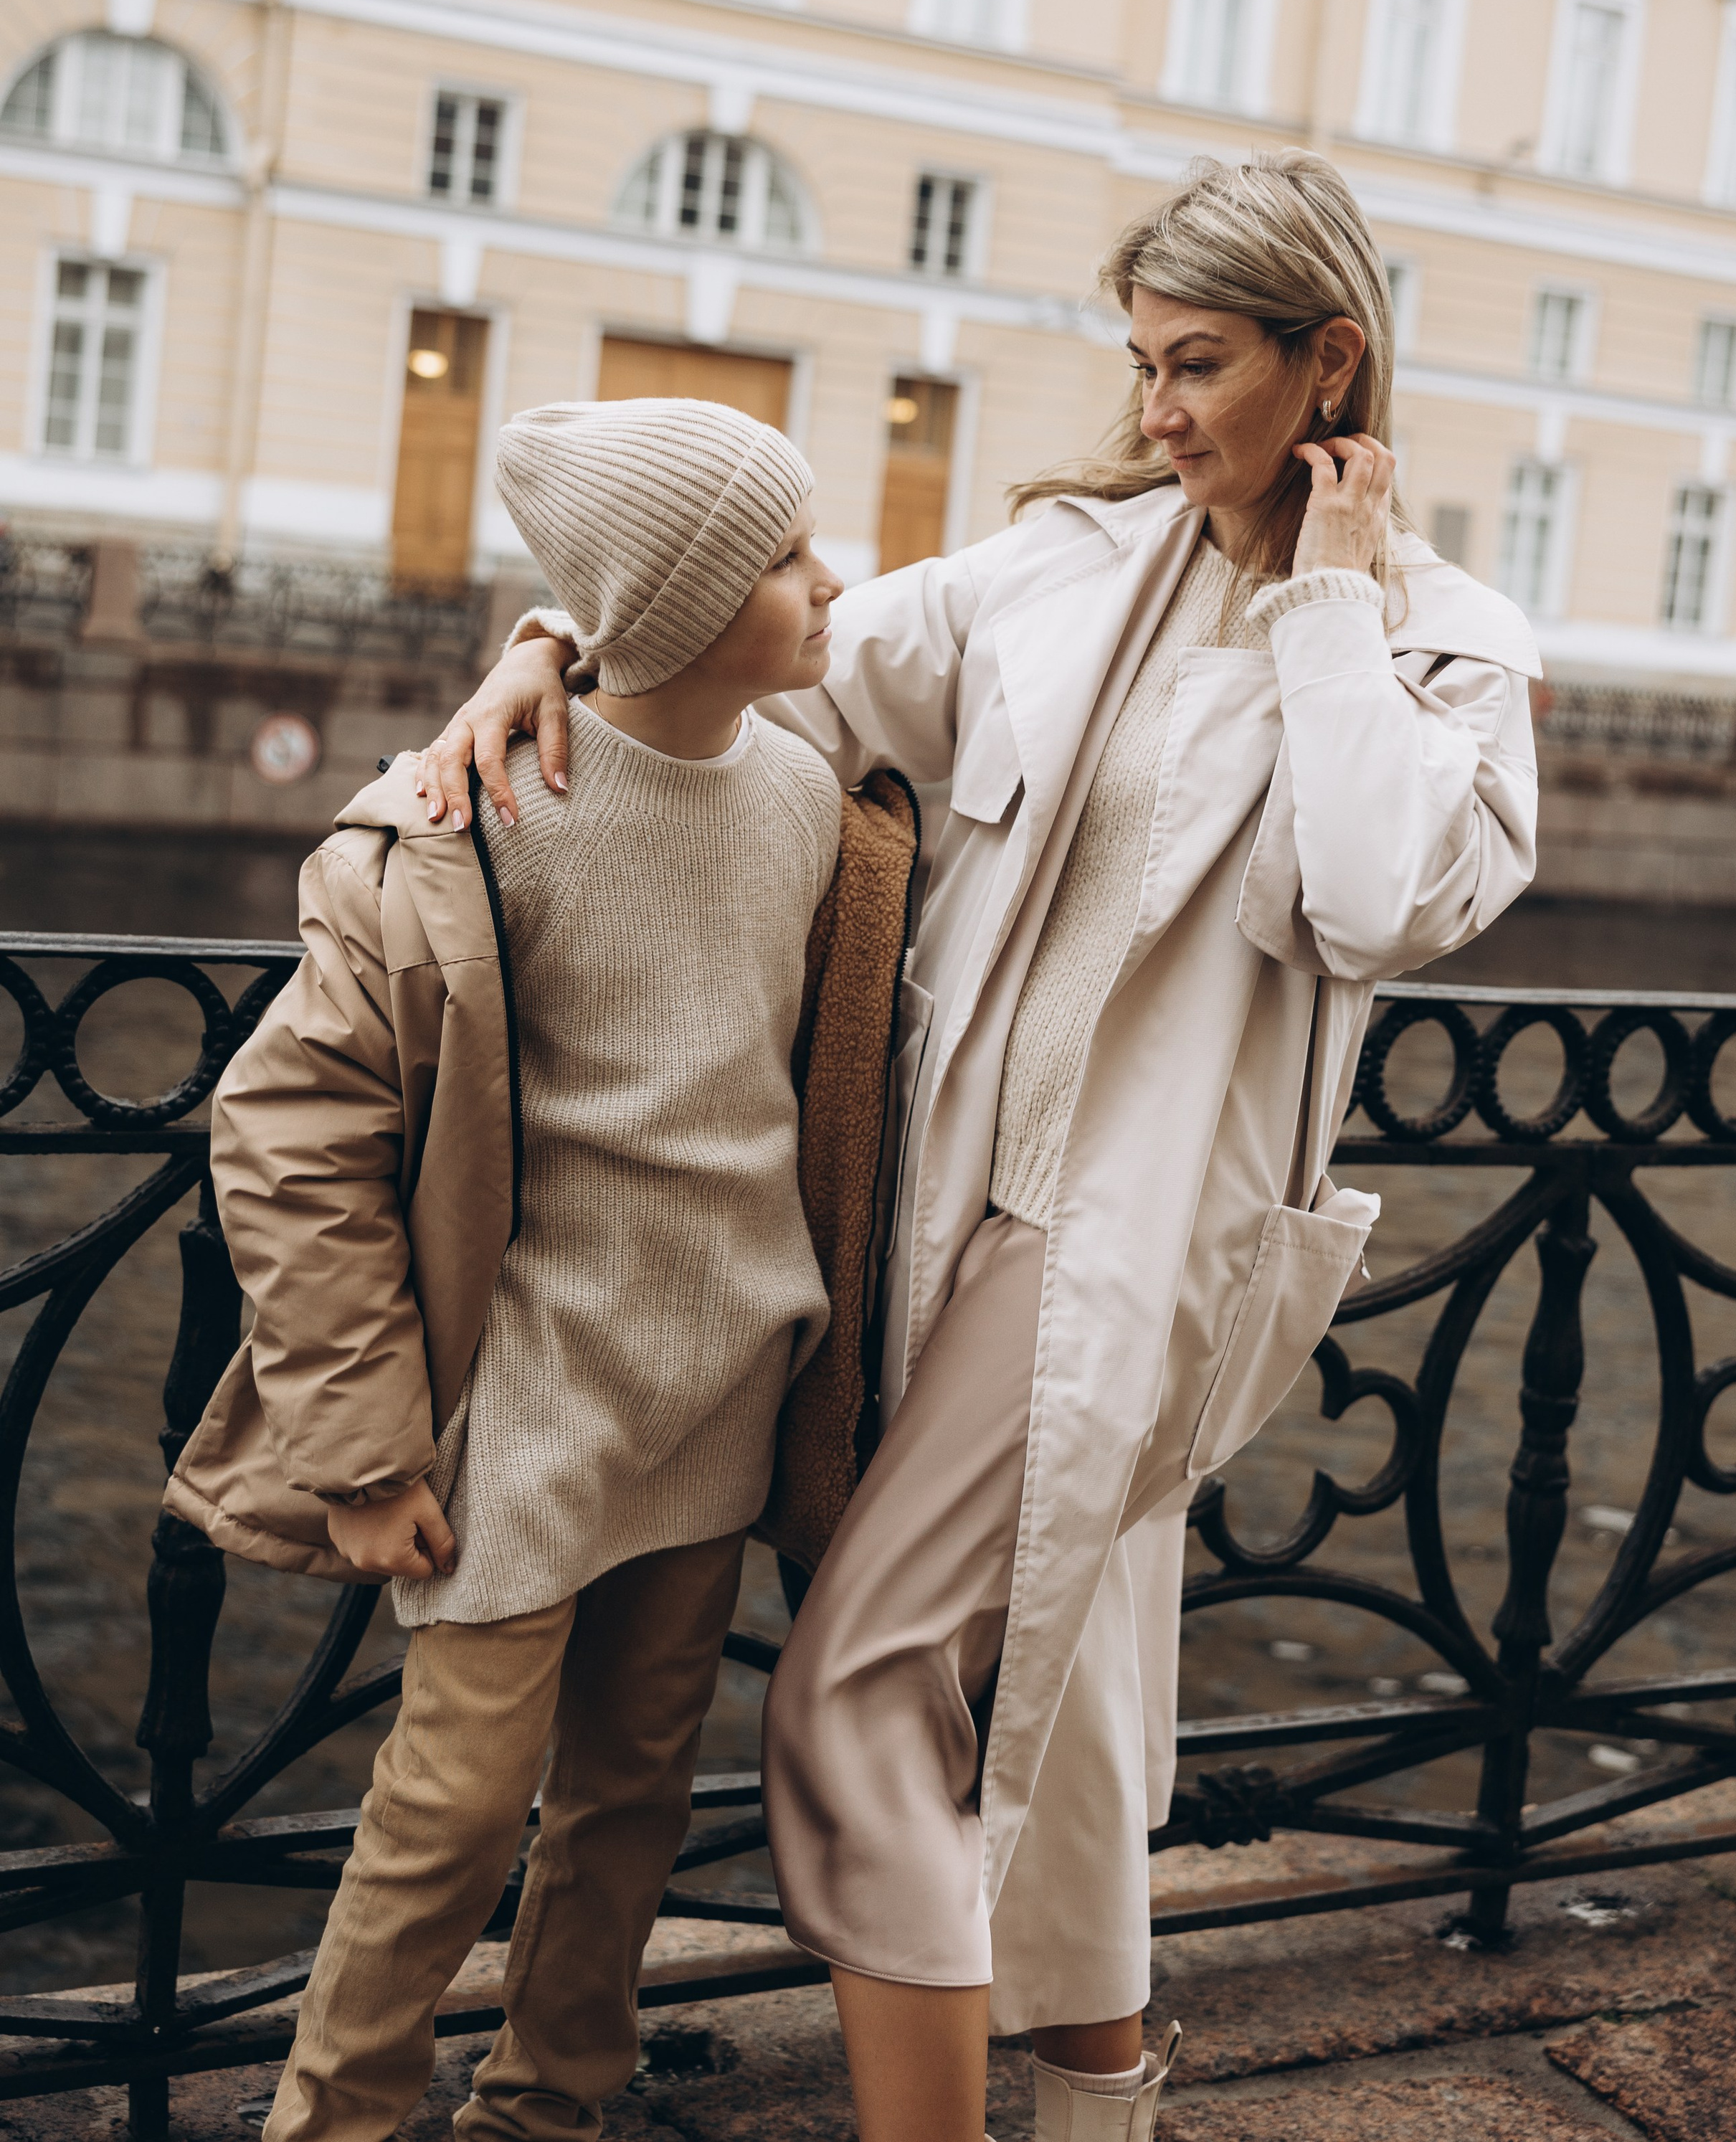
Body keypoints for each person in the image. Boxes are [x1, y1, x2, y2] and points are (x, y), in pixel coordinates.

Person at [418, 151, 1541, 2142]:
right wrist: (545, 641)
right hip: (928, 1213)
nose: (1161, 410)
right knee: (1059, 1663)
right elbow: (760, 664)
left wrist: (1333, 603)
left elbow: (1382, 893)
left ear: (1330, 361)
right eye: (1143, 363)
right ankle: (1103, 2106)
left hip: (1122, 1243)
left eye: (1198, 365)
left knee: (857, 1684)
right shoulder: (1067, 568)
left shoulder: (1447, 644)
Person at [166, 397, 916, 2142]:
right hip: (528, 1397)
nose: (828, 583)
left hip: (722, 1380)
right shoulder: (469, 818)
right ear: (678, 599)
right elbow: (289, 1138)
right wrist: (360, 1453)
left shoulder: (807, 795)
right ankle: (331, 2123)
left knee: (634, 1794)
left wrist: (543, 634)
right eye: (785, 558)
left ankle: (550, 2106)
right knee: (447, 1813)